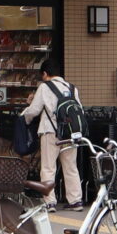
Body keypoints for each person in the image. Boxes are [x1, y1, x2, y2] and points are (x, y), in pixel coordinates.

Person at [20, 73, 82, 207]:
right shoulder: (72, 88)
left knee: (48, 168)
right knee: (71, 167)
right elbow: (79, 110)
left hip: (50, 131)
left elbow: (34, 110)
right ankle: (75, 200)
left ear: (45, 74)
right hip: (70, 133)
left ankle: (50, 202)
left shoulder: (45, 87)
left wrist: (24, 119)